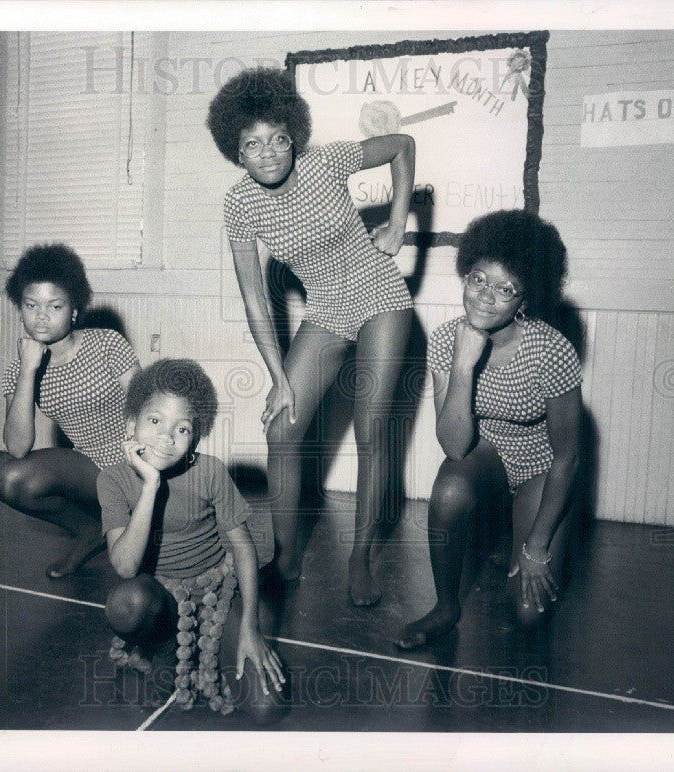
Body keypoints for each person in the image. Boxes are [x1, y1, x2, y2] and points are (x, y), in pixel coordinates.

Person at [207, 67, 416, 606]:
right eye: (252, 145)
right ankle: (287, 554)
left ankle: (361, 557)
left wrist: (397, 222)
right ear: (236, 151)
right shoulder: (239, 204)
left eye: (278, 139)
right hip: (326, 308)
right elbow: (256, 299)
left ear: (293, 136)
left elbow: (403, 144)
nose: (269, 153)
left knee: (372, 430)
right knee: (282, 429)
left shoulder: (324, 163)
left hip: (380, 295)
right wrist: (279, 379)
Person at [395, 209, 582, 649]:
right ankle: (445, 606)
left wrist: (537, 547)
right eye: (478, 279)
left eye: (505, 289)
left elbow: (568, 457)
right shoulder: (445, 340)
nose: (485, 297)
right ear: (465, 274)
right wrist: (463, 362)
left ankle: (532, 545)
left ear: (525, 299)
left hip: (543, 465)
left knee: (527, 616)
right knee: (448, 489)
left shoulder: (550, 349)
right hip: (486, 452)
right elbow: (455, 446)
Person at [99, 359, 287, 723]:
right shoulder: (113, 480)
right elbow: (124, 566)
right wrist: (151, 484)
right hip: (159, 594)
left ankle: (212, 643)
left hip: (217, 589)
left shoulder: (211, 471)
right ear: (130, 423)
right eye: (154, 421)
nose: (166, 437)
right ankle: (162, 645)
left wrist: (251, 627)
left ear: (195, 438)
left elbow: (245, 548)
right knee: (127, 604)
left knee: (268, 709)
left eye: (181, 429)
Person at [0, 243, 140, 578]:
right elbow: (17, 448)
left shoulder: (106, 343)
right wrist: (29, 370)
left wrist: (142, 471)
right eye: (32, 305)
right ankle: (91, 530)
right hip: (89, 466)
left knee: (139, 572)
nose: (42, 315)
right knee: (10, 480)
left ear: (73, 309)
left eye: (54, 305)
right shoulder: (18, 371)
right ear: (20, 310)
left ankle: (127, 523)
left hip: (135, 459)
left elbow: (143, 406)